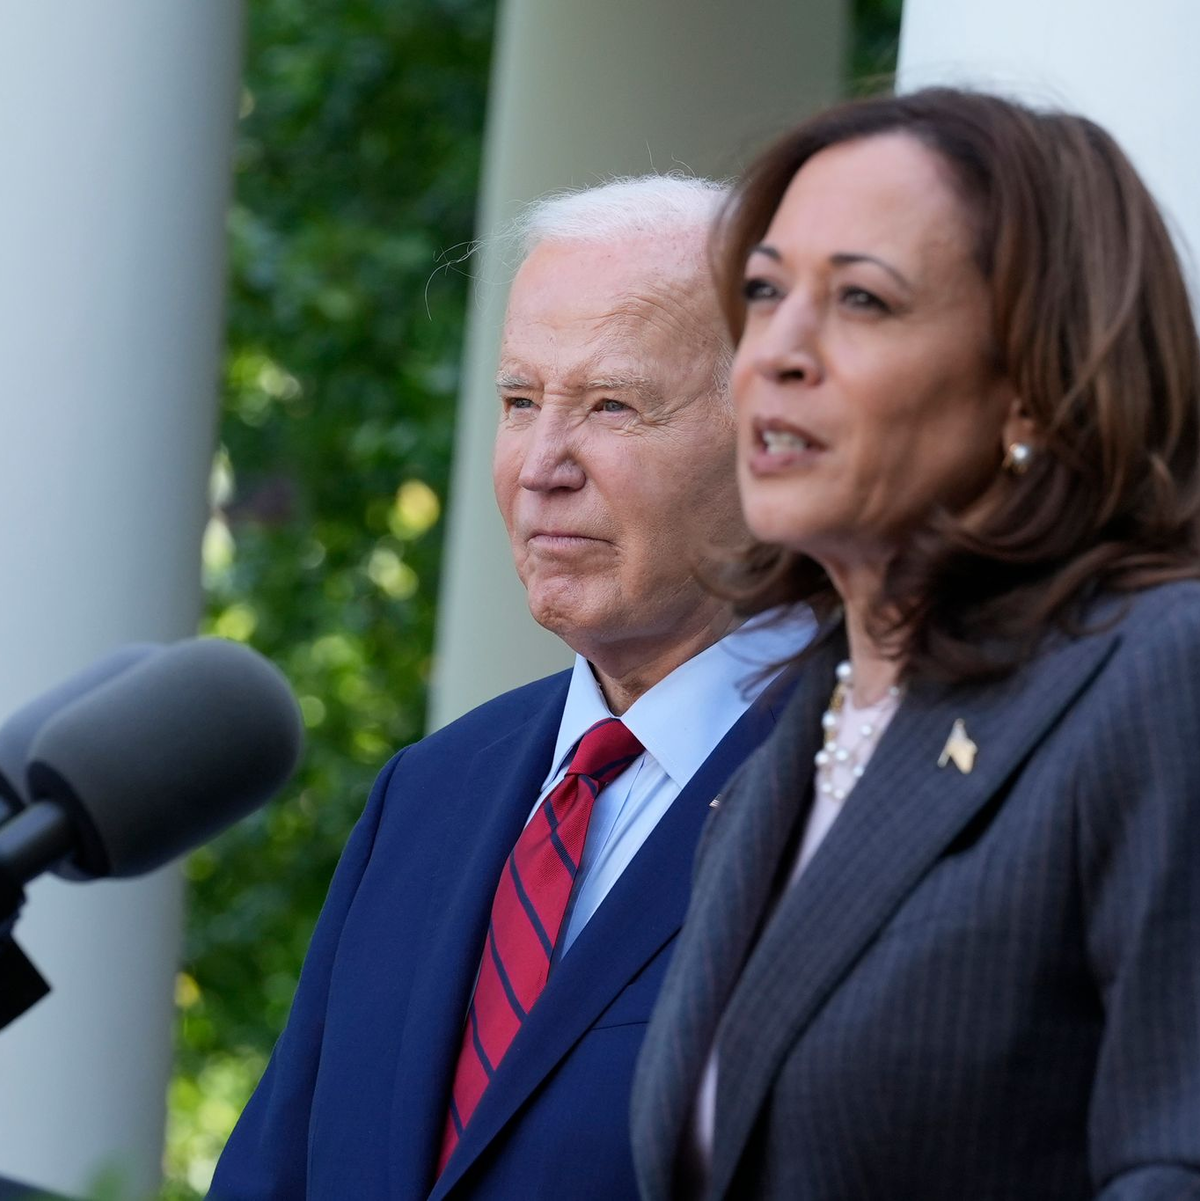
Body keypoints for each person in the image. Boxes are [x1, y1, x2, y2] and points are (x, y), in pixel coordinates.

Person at [630, 88, 1200, 1199]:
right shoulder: (773, 761)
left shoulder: (1158, 672)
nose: (775, 354)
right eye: (762, 292)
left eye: (862, 300)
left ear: (1033, 385)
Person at [209, 176, 811, 1200]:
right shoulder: (428, 793)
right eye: (520, 401)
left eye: (611, 405)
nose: (541, 465)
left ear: (775, 437)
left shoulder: (873, 788)